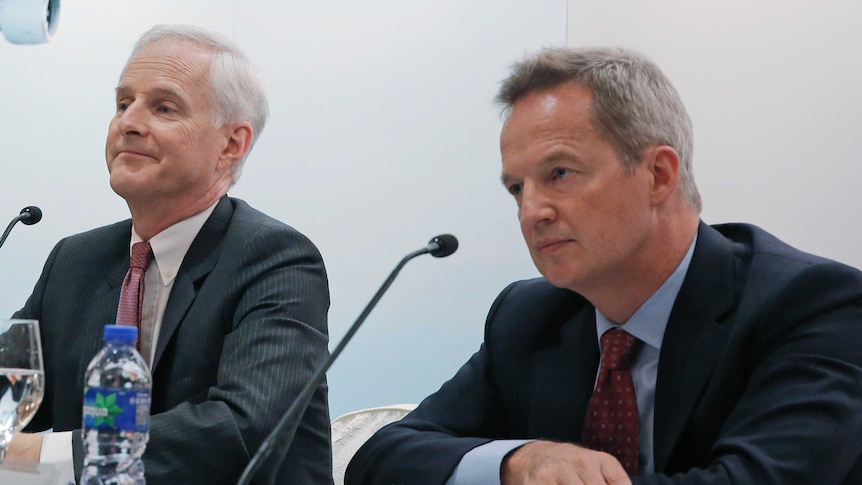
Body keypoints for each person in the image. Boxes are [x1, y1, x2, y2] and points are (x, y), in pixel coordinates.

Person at [345, 46, 862, 484]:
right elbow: (381, 456)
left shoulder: (811, 305)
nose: (531, 212)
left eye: (560, 173)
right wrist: (519, 461)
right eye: (516, 188)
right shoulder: (531, 316)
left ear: (658, 175)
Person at [8, 24, 333, 484]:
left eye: (164, 108)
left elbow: (241, 429)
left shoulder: (275, 259)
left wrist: (40, 456)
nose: (129, 122)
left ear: (231, 144)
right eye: (123, 104)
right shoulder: (73, 261)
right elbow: (12, 390)